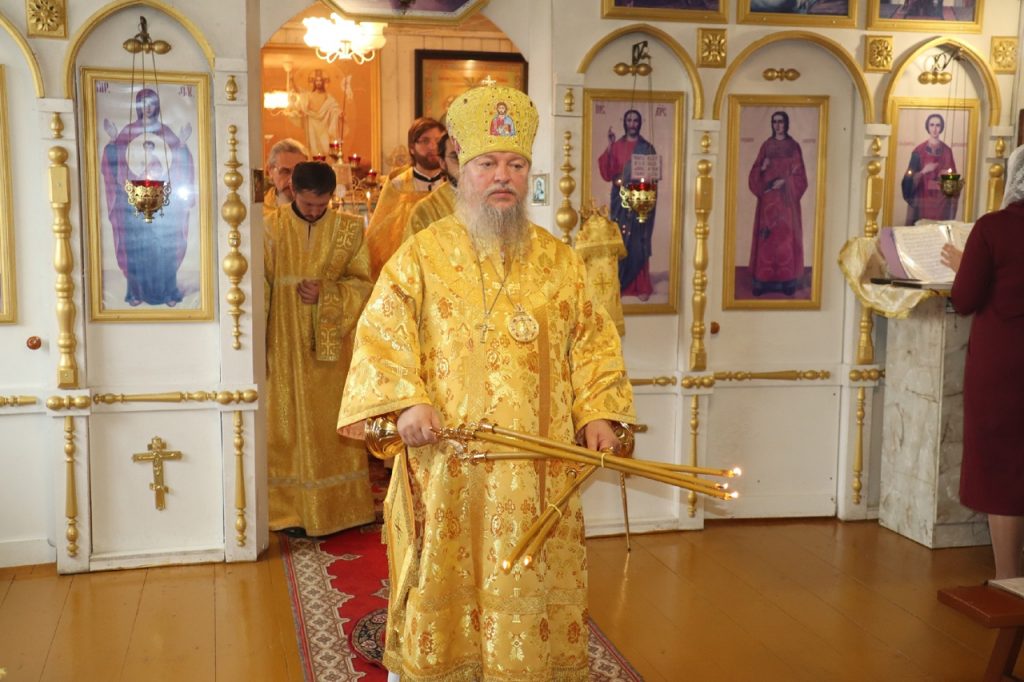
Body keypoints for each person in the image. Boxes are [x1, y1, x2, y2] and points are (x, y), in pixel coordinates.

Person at [337, 85, 635, 682]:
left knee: (530, 585)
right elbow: (382, 338)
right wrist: (407, 402)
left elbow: (593, 343)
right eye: (488, 164)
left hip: (540, 469)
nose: (503, 176)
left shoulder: (561, 261)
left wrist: (597, 411)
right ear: (459, 167)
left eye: (516, 165)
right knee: (444, 579)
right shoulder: (420, 257)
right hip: (449, 466)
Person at [265, 161, 375, 537]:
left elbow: (363, 283)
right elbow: (257, 285)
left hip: (329, 350)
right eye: (308, 203)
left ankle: (341, 508)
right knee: (285, 426)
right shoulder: (270, 228)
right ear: (292, 191)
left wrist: (327, 294)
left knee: (330, 424)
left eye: (322, 204)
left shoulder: (349, 229)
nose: (315, 211)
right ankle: (289, 511)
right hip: (281, 342)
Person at [940, 144, 1024, 579]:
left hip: (1004, 365)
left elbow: (966, 298)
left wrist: (964, 264)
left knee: (1002, 469)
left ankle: (1010, 582)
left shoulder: (993, 228)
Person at [100, 87, 195, 307]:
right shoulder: (128, 132)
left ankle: (168, 292)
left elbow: (178, 164)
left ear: (157, 106)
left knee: (164, 248)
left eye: (151, 103)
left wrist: (181, 144)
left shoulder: (165, 132)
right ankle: (136, 292)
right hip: (134, 207)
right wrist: (113, 141)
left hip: (162, 207)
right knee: (137, 249)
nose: (148, 108)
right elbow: (115, 164)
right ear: (138, 107)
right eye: (143, 104)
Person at [365, 117, 446, 279]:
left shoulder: (453, 185)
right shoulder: (398, 185)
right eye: (425, 141)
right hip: (408, 268)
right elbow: (381, 233)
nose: (432, 146)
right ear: (412, 148)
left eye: (437, 141)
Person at [598, 108, 658, 300]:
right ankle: (621, 283)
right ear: (624, 123)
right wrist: (609, 145)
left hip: (640, 198)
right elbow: (607, 173)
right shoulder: (616, 146)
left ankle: (640, 285)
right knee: (621, 239)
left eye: (635, 120)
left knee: (639, 239)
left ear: (640, 123)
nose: (632, 124)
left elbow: (653, 177)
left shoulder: (646, 148)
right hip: (620, 200)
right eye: (629, 120)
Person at [747, 110, 808, 296]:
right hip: (768, 202)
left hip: (786, 203)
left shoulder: (793, 147)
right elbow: (754, 173)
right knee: (766, 239)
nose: (778, 125)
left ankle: (787, 282)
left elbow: (801, 177)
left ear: (786, 124)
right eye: (774, 122)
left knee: (785, 239)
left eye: (781, 122)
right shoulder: (766, 146)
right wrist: (762, 168)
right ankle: (762, 282)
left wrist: (786, 182)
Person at [901, 113, 958, 224]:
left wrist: (947, 176)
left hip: (941, 204)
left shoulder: (947, 151)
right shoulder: (918, 151)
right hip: (923, 201)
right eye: (932, 125)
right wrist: (923, 171)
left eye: (938, 125)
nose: (935, 129)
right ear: (927, 127)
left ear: (941, 127)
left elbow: (954, 184)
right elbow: (907, 181)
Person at [403, 132, 460, 240]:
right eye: (456, 157)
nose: (466, 164)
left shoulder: (494, 200)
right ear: (442, 163)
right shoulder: (424, 211)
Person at [293, 69, 342, 158]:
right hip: (312, 121)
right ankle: (315, 161)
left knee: (325, 144)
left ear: (323, 83)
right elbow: (299, 92)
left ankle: (326, 161)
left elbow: (334, 107)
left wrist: (339, 113)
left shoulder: (327, 96)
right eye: (316, 81)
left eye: (320, 81)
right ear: (314, 83)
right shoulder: (309, 95)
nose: (318, 83)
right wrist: (292, 81)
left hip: (324, 123)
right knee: (314, 144)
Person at [263, 138, 309, 215]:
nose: (292, 180)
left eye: (299, 172)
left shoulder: (319, 207)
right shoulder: (259, 210)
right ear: (270, 171)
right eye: (285, 171)